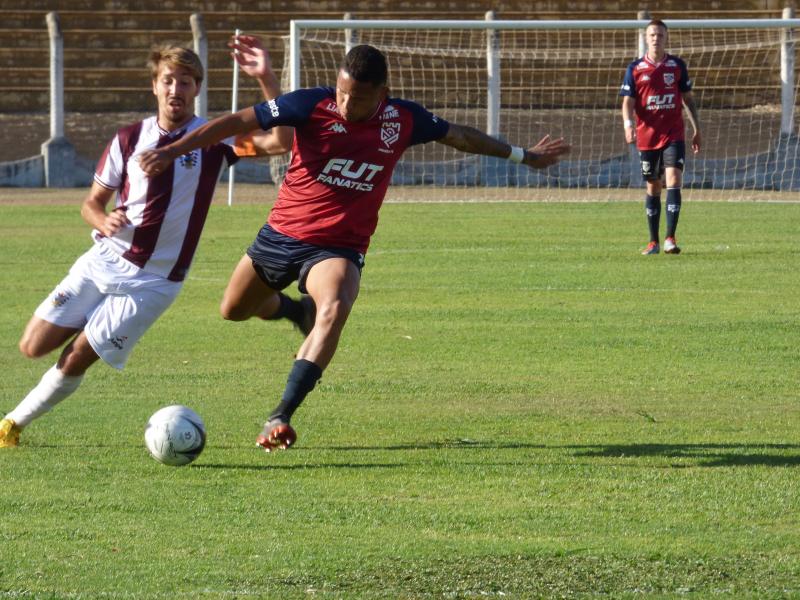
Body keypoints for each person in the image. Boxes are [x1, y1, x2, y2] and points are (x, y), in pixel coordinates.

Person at [138, 43, 571, 452]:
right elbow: (237, 123)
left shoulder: (402, 119)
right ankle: (294, 311)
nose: (346, 105)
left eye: (357, 98)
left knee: (335, 307)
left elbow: (460, 136)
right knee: (232, 310)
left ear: (382, 93)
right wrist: (174, 150)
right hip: (280, 235)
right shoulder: (310, 103)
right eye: (342, 93)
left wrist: (523, 156)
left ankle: (280, 415)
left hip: (338, 248)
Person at [0, 38, 290, 448]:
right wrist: (104, 218)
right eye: (168, 81)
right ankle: (92, 320)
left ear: (197, 89)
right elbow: (91, 204)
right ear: (155, 86)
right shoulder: (128, 138)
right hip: (104, 260)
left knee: (78, 356)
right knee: (33, 346)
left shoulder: (213, 138)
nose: (176, 90)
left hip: (154, 282)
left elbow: (282, 141)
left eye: (185, 82)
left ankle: (11, 425)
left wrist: (265, 77)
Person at [620, 19, 701, 255]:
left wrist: (697, 129)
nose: (656, 38)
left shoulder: (676, 66)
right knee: (653, 186)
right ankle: (653, 241)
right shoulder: (635, 69)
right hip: (647, 136)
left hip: (674, 134)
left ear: (666, 38)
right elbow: (627, 103)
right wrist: (628, 124)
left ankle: (670, 239)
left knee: (674, 180)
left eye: (660, 35)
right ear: (647, 38)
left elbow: (688, 99)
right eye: (653, 35)